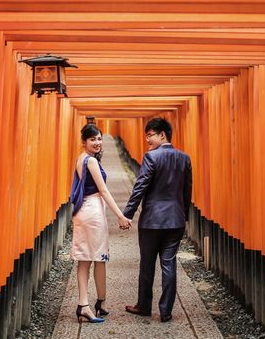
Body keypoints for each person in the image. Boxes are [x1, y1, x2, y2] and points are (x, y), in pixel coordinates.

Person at [122, 118, 192, 323]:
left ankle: (144, 306)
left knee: (147, 264)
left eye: (150, 135)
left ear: (162, 135)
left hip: (152, 222)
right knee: (169, 265)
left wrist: (128, 214)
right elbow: (187, 191)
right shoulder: (184, 158)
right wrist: (183, 214)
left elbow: (140, 187)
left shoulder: (151, 157)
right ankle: (166, 311)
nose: (147, 140)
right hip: (175, 221)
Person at [69, 124, 132, 323]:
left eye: (99, 138)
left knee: (86, 259)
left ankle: (91, 304)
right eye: (92, 140)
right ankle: (89, 305)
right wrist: (121, 215)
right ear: (84, 142)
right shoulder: (91, 162)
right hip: (93, 211)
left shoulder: (81, 159)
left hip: (84, 211)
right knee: (98, 258)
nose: (97, 143)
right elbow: (104, 191)